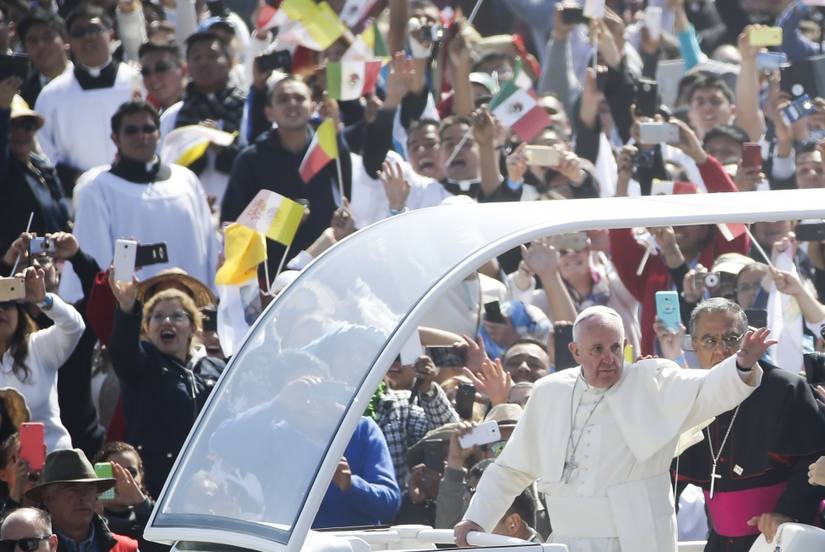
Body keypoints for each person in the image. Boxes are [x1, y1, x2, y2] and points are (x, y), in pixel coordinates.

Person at [455, 305, 770, 551]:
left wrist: (740, 366)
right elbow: (511, 469)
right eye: (596, 350)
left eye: (615, 348)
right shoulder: (549, 392)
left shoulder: (651, 382)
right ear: (576, 352)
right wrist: (476, 519)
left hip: (635, 541)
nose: (609, 359)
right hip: (568, 541)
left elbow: (706, 389)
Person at [668, 298, 825, 551]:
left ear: (747, 339)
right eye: (709, 341)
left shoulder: (785, 389)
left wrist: (787, 512)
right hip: (720, 542)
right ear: (693, 346)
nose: (722, 350)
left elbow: (816, 458)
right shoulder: (689, 395)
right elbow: (669, 475)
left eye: (731, 339)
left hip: (781, 538)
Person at [59, 100, 218, 302]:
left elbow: (210, 248)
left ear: (159, 134)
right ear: (115, 138)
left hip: (190, 309)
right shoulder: (97, 188)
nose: (141, 136)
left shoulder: (186, 180)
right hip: (131, 312)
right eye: (131, 131)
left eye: (148, 129)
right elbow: (92, 258)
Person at [108, 273, 225, 498]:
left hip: (210, 486)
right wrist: (127, 308)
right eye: (157, 316)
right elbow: (123, 351)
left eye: (177, 316)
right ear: (147, 328)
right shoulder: (142, 364)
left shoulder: (215, 368)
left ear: (193, 326)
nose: (167, 321)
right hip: (157, 488)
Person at [220, 75, 352, 273]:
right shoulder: (250, 160)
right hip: (275, 279)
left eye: (299, 98)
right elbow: (231, 224)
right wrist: (283, 220)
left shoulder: (330, 148)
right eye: (283, 99)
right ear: (269, 112)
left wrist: (344, 220)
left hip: (328, 269)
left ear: (313, 106)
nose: (292, 104)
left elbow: (346, 197)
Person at [34, 4, 141, 190]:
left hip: (135, 188)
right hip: (78, 195)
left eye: (94, 29)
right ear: (69, 42)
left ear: (111, 34)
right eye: (79, 33)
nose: (88, 37)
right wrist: (78, 180)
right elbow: (42, 150)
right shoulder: (52, 95)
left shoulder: (136, 82)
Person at [0, 265, 84, 452]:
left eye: (6, 304)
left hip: (53, 464)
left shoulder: (37, 347)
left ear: (19, 312)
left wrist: (43, 300)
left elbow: (74, 327)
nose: (0, 311)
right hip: (7, 472)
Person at [0, 78, 70, 253]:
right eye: (12, 125)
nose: (21, 133)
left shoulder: (43, 167)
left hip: (51, 263)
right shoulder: (6, 170)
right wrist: (2, 110)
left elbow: (62, 217)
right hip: (16, 267)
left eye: (27, 126)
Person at [25, 449, 138, 552]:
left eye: (89, 488)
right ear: (48, 498)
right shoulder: (31, 549)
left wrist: (142, 504)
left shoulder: (126, 548)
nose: (82, 496)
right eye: (71, 489)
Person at [312, 416, 401, 528]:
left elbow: (389, 505)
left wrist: (351, 485)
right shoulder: (286, 433)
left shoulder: (362, 429)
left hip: (355, 541)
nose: (311, 402)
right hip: (298, 543)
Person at [15, 10, 71, 108]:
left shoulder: (88, 79)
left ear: (65, 40)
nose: (41, 45)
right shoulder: (22, 94)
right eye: (33, 40)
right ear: (25, 49)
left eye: (48, 37)